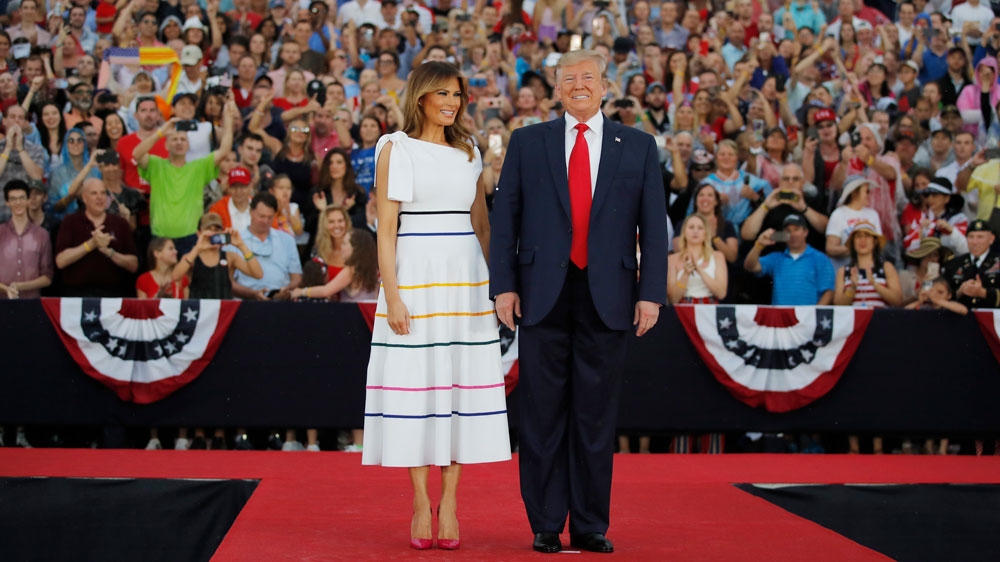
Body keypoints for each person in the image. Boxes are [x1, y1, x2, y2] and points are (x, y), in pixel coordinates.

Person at [491, 50, 667, 554]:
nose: (579, 85)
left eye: (588, 77)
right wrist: (503, 285)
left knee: (595, 417)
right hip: (540, 295)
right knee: (542, 414)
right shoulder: (528, 142)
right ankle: (546, 522)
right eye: (569, 79)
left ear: (605, 86)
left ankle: (590, 523)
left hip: (609, 296)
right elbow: (505, 218)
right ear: (557, 88)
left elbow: (653, 227)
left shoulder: (639, 145)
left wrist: (651, 293)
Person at [362, 61, 511, 551]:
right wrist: (393, 294)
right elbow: (386, 229)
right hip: (415, 277)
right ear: (421, 96)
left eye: (457, 94)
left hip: (466, 281)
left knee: (459, 389)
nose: (451, 102)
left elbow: (482, 226)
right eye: (443, 93)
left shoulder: (470, 152)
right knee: (416, 388)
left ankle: (449, 503)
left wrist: (497, 287)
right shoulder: (395, 147)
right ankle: (420, 502)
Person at [54, 178, 139, 297]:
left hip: (112, 295)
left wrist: (110, 253)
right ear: (84, 198)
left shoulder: (120, 223)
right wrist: (91, 244)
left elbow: (134, 265)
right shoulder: (70, 221)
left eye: (103, 193)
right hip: (77, 295)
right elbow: (61, 261)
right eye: (94, 193)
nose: (100, 197)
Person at [745, 214, 835, 305]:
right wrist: (759, 245)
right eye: (788, 231)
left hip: (809, 313)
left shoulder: (820, 259)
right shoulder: (776, 258)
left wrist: (813, 313)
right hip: (781, 314)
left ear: (805, 232)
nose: (792, 234)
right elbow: (750, 266)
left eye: (796, 229)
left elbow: (828, 293)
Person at [173, 212, 262, 300]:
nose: (213, 234)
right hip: (199, 308)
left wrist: (241, 245)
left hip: (224, 308)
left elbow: (258, 274)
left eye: (216, 230)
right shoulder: (192, 257)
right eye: (209, 229)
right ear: (199, 233)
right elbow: (175, 277)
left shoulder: (230, 257)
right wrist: (197, 248)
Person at [0, 179, 52, 299]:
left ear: (28, 200)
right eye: (13, 199)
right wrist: (6, 289)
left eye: (22, 198)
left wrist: (21, 286)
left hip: (32, 301)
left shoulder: (42, 235)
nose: (18, 202)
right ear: (7, 203)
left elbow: (47, 276)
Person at [833, 220, 903, 308]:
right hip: (855, 317)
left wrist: (874, 284)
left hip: (879, 316)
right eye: (858, 236)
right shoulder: (843, 271)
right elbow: (838, 304)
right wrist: (852, 288)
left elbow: (897, 300)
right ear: (853, 242)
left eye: (867, 236)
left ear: (875, 241)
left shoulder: (886, 267)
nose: (863, 240)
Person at [668, 214, 728, 304]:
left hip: (710, 307)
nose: (695, 231)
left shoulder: (718, 256)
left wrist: (699, 270)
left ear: (706, 233)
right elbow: (673, 299)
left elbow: (721, 294)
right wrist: (685, 274)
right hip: (683, 309)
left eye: (700, 228)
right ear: (684, 232)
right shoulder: (672, 259)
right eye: (691, 227)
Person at [943, 219, 1000, 309]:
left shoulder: (998, 261)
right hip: (961, 315)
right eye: (971, 237)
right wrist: (959, 292)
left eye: (980, 237)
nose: (975, 242)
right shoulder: (954, 263)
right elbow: (942, 296)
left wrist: (983, 293)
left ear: (991, 239)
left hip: (992, 315)